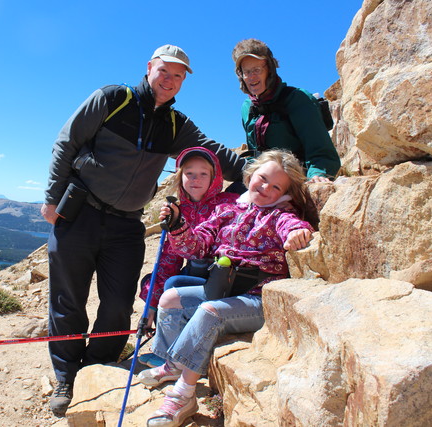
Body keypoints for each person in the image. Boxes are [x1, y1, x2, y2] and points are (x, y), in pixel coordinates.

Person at [41, 44, 246, 417]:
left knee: (118, 306)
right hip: (79, 214)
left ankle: (97, 367)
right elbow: (66, 143)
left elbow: (213, 153)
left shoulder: (174, 125)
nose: (169, 80)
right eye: (164, 71)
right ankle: (66, 377)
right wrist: (53, 199)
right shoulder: (112, 99)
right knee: (67, 301)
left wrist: (257, 174)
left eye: (178, 75)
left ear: (183, 82)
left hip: (126, 224)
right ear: (149, 68)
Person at [138, 149, 314, 427]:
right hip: (226, 290)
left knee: (210, 311)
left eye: (277, 186)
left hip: (257, 297)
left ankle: (183, 395)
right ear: (249, 176)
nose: (266, 187)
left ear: (286, 192)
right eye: (262, 178)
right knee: (171, 297)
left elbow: (291, 224)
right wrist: (178, 225)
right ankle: (175, 364)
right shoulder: (228, 209)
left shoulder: (280, 213)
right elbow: (196, 246)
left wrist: (296, 232)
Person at [137, 147, 238, 368]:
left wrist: (177, 225)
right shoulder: (180, 209)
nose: (196, 179)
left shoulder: (228, 204)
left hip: (224, 278)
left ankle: (167, 357)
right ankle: (171, 347)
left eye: (203, 173)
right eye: (189, 173)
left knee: (174, 284)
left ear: (214, 177)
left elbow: (205, 248)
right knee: (171, 282)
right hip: (201, 275)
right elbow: (167, 260)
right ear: (180, 176)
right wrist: (151, 305)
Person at [232, 38, 341, 183]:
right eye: (247, 72)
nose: (252, 77)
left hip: (296, 178)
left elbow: (321, 152)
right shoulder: (247, 107)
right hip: (264, 179)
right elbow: (254, 154)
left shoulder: (298, 99)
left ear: (270, 69)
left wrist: (318, 175)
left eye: (257, 70)